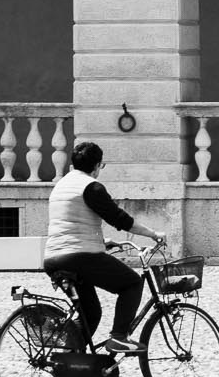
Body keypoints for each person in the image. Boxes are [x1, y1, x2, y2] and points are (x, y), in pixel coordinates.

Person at [45, 138, 163, 355]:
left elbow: (69, 223)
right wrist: (153, 234)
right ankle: (119, 337)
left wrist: (102, 242)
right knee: (132, 284)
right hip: (79, 257)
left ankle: (70, 363)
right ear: (97, 165)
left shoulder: (61, 186)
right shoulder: (91, 187)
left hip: (53, 258)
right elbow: (119, 218)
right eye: (102, 165)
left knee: (90, 313)